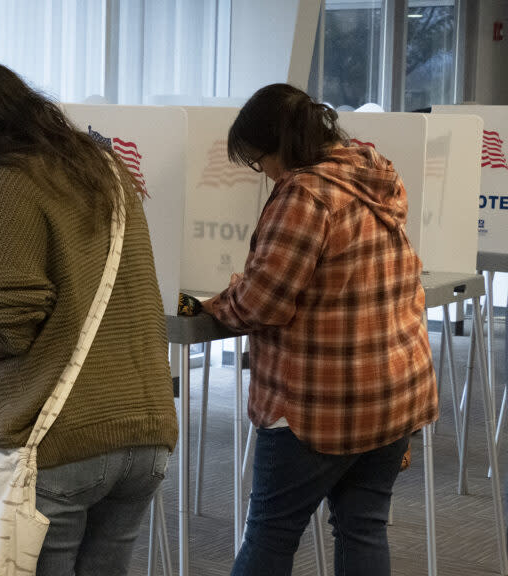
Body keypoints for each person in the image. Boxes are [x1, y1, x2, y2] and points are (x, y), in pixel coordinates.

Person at [0, 60, 177, 575]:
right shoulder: (103, 165)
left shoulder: (14, 180)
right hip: (143, 427)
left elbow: (3, 330)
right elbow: (74, 289)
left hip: (61, 439)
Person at [201, 83, 439, 576]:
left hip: (319, 402)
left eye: (259, 159)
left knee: (270, 532)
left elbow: (262, 303)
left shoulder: (304, 195)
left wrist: (218, 301)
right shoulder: (375, 179)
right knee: (364, 529)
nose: (263, 172)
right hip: (394, 392)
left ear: (280, 145)